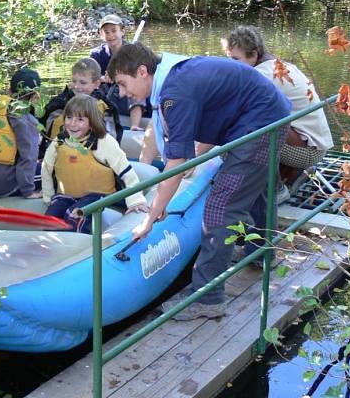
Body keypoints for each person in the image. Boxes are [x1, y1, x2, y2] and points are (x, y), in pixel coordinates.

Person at [107, 43, 291, 321]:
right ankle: (260, 251)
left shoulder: (173, 94)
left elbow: (175, 162)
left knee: (220, 208)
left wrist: (152, 215)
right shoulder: (175, 75)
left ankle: (208, 298)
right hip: (267, 112)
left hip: (261, 121)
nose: (122, 93)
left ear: (142, 71)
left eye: (122, 83)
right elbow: (211, 110)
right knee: (258, 186)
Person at [224, 26, 334, 202]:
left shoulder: (262, 75)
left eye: (236, 59)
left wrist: (199, 152)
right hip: (311, 143)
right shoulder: (276, 64)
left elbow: (231, 114)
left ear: (253, 55)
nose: (231, 65)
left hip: (308, 151)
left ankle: (276, 189)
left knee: (239, 134)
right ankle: (289, 173)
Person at [41, 95, 148, 233]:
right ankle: (52, 249)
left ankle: (82, 248)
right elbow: (46, 168)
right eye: (69, 117)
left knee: (75, 215)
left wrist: (136, 201)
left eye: (80, 119)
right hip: (66, 194)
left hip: (98, 195)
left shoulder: (104, 142)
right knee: (49, 219)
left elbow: (126, 173)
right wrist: (48, 197)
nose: (72, 124)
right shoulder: (59, 141)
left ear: (92, 122)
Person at [0, 67, 42, 199]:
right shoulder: (25, 119)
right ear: (35, 96)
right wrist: (28, 191)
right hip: (4, 184)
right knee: (52, 170)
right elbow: (28, 156)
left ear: (9, 90)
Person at [40, 57, 122, 143]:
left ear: (96, 84)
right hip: (61, 151)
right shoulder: (59, 103)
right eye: (74, 81)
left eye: (83, 83)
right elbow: (45, 128)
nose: (76, 86)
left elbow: (113, 138)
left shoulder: (106, 107)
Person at [90, 14, 149, 130]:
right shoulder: (96, 54)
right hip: (107, 93)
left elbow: (141, 76)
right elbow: (90, 78)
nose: (110, 35)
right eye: (106, 32)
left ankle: (135, 126)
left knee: (136, 85)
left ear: (122, 31)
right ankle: (93, 123)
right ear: (102, 35)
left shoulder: (133, 51)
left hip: (126, 93)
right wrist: (103, 78)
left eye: (113, 31)